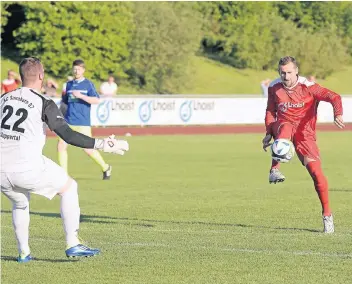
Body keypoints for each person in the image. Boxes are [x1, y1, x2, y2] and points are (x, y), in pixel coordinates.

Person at [1, 57, 129, 262]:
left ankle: (24, 253)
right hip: (26, 167)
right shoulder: (43, 102)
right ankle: (72, 243)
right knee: (69, 188)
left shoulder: (4, 99)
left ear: (21, 76)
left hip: (1, 171)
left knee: (20, 204)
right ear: (41, 76)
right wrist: (104, 144)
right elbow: (68, 135)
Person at [262, 56, 344, 234]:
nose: (285, 76)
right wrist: (269, 131)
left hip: (305, 135)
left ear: (296, 71)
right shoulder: (274, 87)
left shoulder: (309, 87)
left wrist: (337, 114)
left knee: (317, 174)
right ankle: (274, 169)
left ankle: (327, 215)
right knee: (285, 125)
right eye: (282, 73)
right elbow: (270, 111)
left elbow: (334, 97)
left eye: (289, 72)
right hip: (283, 128)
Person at [57, 59, 112, 179]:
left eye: (79, 69)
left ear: (83, 70)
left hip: (82, 123)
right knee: (61, 145)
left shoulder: (88, 84)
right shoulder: (69, 84)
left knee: (88, 149)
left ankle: (105, 167)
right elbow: (65, 102)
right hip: (68, 121)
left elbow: (97, 100)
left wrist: (81, 96)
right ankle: (64, 176)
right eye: (75, 69)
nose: (76, 71)